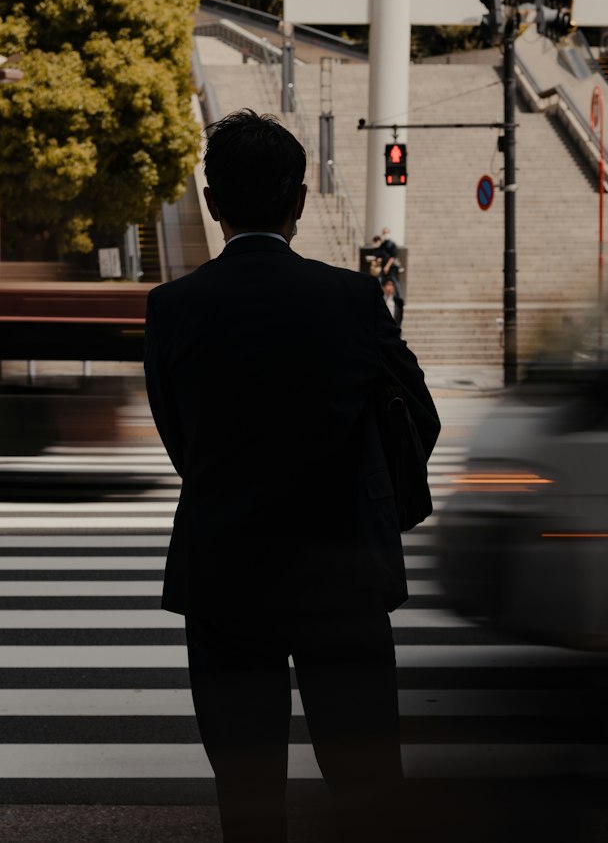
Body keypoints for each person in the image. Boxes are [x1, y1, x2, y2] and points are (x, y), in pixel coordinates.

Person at [143, 109, 440, 843]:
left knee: (247, 794)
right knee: (366, 785)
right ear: (300, 201)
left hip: (225, 568)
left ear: (212, 203)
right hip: (342, 569)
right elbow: (419, 416)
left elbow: (180, 437)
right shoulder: (350, 299)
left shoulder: (172, 309)